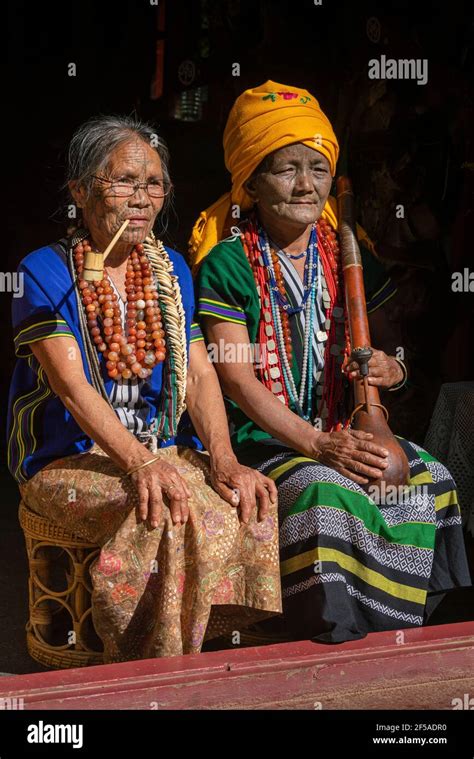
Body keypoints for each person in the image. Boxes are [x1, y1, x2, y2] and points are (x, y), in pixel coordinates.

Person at [191, 81, 471, 643]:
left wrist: (394, 369)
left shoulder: (349, 248)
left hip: (344, 429)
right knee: (327, 489)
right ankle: (331, 634)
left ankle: (404, 631)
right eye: (285, 168)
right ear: (251, 181)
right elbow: (236, 377)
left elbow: (395, 348)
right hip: (265, 442)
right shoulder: (227, 262)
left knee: (431, 477)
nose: (305, 185)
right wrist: (317, 444)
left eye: (317, 168)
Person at [7, 115, 282, 663]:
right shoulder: (42, 270)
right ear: (81, 191)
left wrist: (223, 459)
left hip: (158, 448)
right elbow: (70, 387)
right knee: (159, 509)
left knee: (248, 495)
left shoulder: (170, 267)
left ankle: (219, 645)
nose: (142, 198)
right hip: (68, 459)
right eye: (125, 181)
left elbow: (202, 373)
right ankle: (145, 662)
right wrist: (138, 463)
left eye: (154, 184)